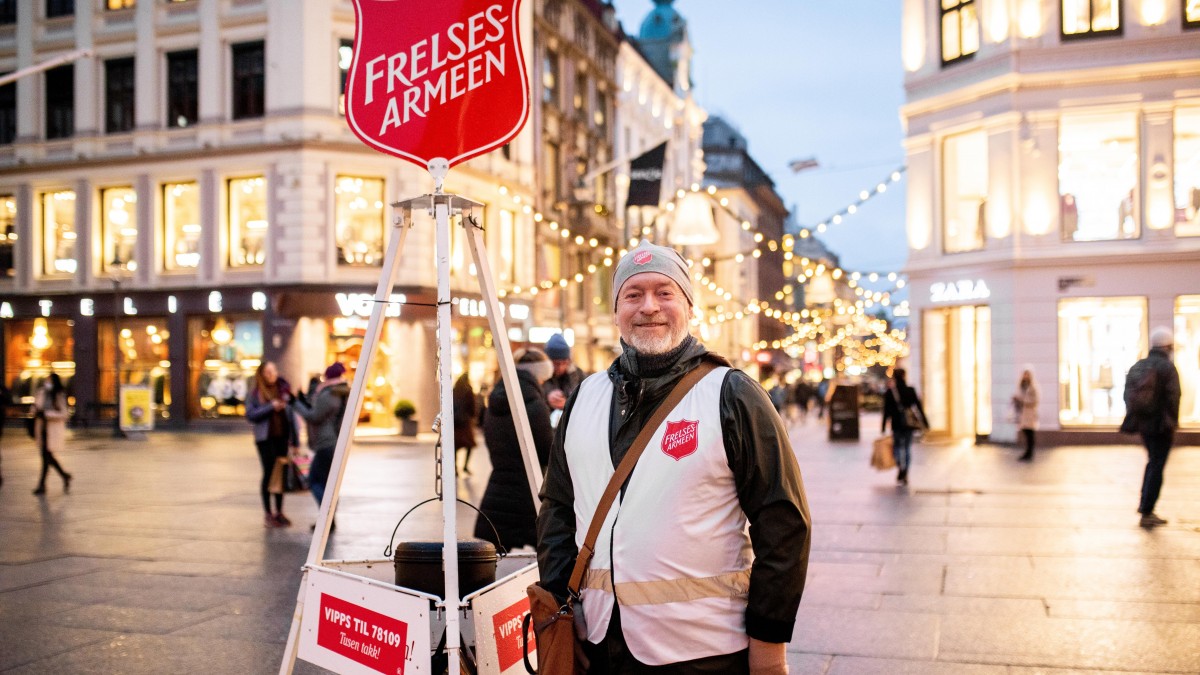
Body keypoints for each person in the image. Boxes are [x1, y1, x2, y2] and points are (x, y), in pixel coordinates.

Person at [537, 241, 811, 674]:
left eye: (664, 292)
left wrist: (768, 639)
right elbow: (557, 508)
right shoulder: (584, 396)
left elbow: (784, 524)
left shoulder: (732, 394)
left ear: (687, 305)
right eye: (633, 294)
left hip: (703, 650)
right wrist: (559, 606)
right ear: (616, 310)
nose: (649, 307)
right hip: (600, 643)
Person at [474, 348, 554, 550]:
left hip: (499, 485)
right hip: (527, 490)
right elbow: (546, 451)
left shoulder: (495, 401)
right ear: (539, 375)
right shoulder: (535, 404)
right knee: (547, 548)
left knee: (498, 549)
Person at [1120, 327, 1181, 528]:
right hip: (1162, 426)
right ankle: (1147, 509)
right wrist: (1172, 422)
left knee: (1152, 461)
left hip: (1144, 425)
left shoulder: (1140, 365)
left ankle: (1145, 505)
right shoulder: (1167, 367)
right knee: (1157, 464)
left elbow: (1127, 394)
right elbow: (1173, 397)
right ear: (1168, 346)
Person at [246, 361, 299, 528]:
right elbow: (250, 414)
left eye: (273, 371)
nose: (272, 375)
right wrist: (270, 407)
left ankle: (279, 512)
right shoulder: (255, 393)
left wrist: (295, 440)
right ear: (261, 374)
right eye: (268, 372)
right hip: (265, 438)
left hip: (282, 437)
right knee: (269, 473)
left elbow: (292, 416)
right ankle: (268, 513)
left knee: (281, 474)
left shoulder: (284, 390)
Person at [291, 362, 350, 512]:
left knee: (314, 480)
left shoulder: (330, 393)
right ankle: (329, 517)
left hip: (326, 442)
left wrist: (296, 404)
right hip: (334, 442)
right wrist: (304, 401)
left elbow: (315, 416)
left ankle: (327, 514)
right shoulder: (341, 392)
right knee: (327, 482)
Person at [881, 367, 927, 486]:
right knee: (906, 448)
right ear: (904, 376)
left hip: (896, 424)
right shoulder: (910, 390)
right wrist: (925, 421)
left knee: (897, 447)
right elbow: (918, 406)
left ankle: (900, 467)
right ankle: (905, 470)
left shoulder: (890, 392)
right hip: (908, 424)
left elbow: (886, 411)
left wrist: (883, 426)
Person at [31, 373, 72, 495]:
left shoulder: (59, 395)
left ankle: (42, 484)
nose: (47, 382)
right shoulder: (41, 392)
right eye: (46, 380)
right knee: (47, 457)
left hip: (51, 430)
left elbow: (64, 414)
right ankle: (64, 476)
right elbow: (35, 407)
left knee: (46, 457)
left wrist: (48, 414)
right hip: (41, 429)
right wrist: (35, 411)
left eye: (49, 380)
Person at [542, 332, 584, 416]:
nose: (560, 367)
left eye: (564, 363)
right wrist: (547, 399)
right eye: (556, 363)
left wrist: (568, 403)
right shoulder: (540, 376)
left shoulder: (578, 375)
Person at [452, 373, 478, 475]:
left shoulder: (454, 390)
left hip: (455, 422)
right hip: (465, 422)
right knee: (469, 445)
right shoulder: (468, 390)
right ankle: (465, 466)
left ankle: (455, 467)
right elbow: (472, 407)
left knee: (455, 446)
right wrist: (473, 416)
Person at [1012, 367, 1039, 462]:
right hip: (1023, 414)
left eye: (1027, 374)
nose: (1025, 376)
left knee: (1030, 433)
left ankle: (1030, 453)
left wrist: (1023, 400)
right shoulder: (1022, 386)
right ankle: (1027, 452)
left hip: (1029, 413)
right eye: (1024, 374)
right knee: (1026, 433)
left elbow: (1035, 400)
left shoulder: (1033, 387)